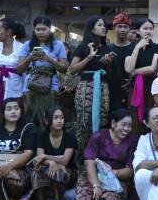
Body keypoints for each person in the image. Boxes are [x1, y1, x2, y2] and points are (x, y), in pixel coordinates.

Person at [72, 109, 137, 200]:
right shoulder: (99, 136)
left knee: (110, 198)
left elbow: (129, 171)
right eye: (123, 124)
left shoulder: (132, 141)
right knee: (87, 191)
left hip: (118, 179)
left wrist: (110, 173)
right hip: (93, 174)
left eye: (129, 125)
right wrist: (96, 185)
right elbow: (89, 162)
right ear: (113, 123)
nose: (127, 129)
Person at [68, 16, 114, 164]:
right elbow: (72, 70)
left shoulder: (108, 48)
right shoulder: (83, 47)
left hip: (103, 88)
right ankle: (82, 160)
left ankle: (97, 158)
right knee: (84, 121)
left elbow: (111, 74)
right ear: (91, 28)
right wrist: (89, 57)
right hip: (86, 87)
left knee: (101, 121)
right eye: (99, 25)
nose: (103, 27)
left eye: (104, 25)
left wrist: (108, 64)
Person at [16, 16, 68, 128]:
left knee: (49, 118)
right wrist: (30, 58)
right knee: (30, 118)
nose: (41, 32)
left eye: (44, 29)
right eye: (38, 29)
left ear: (50, 29)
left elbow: (64, 68)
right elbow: (19, 69)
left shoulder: (58, 44)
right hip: (30, 86)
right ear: (34, 30)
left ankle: (47, 143)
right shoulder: (27, 45)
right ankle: (30, 143)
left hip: (50, 86)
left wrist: (50, 60)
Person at [31, 106, 77, 200]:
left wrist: (47, 157)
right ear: (47, 121)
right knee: (37, 169)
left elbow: (65, 161)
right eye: (55, 118)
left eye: (61, 118)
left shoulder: (69, 137)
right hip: (48, 169)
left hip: (69, 172)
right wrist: (51, 162)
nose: (59, 121)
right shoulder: (42, 136)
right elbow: (38, 159)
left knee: (59, 170)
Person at [125, 18, 158, 136]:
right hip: (135, 87)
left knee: (152, 116)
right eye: (145, 28)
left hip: (152, 87)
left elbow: (153, 68)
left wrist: (135, 71)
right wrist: (137, 47)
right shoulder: (130, 48)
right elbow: (127, 69)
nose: (148, 31)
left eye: (151, 29)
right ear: (137, 30)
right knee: (135, 118)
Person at [0, 18, 26, 124]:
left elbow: (24, 71)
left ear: (8, 32)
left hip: (15, 87)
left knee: (14, 116)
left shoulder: (22, 48)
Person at [108, 13, 133, 112]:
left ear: (129, 29)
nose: (123, 30)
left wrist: (132, 81)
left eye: (125, 27)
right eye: (120, 26)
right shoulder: (108, 48)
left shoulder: (135, 49)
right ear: (114, 28)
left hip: (130, 89)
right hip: (111, 90)